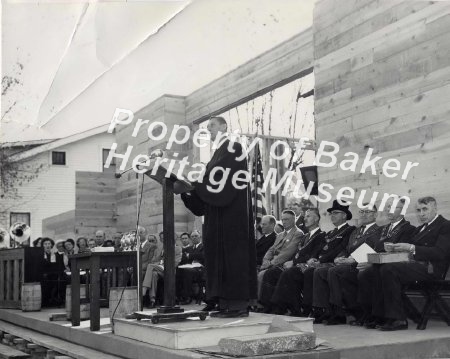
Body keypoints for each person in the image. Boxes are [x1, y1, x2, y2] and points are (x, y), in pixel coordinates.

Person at [180, 116, 256, 318]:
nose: (209, 130)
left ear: (224, 126)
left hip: (232, 215)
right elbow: (210, 185)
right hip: (217, 215)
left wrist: (197, 185)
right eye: (206, 128)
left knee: (232, 258)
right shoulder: (215, 155)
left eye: (212, 126)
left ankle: (237, 305)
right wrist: (189, 191)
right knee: (217, 258)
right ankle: (222, 302)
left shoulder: (234, 148)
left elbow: (223, 180)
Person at [370, 197, 450, 331]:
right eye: (418, 210)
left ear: (435, 208)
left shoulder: (445, 225)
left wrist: (411, 248)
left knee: (389, 269)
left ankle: (398, 319)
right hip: (415, 266)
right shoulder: (420, 229)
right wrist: (397, 248)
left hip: (432, 269)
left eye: (425, 209)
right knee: (376, 268)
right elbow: (410, 250)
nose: (421, 214)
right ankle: (382, 315)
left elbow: (440, 253)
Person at [312, 204, 383, 325]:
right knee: (320, 271)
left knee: (334, 271)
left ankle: (341, 313)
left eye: (368, 212)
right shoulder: (356, 230)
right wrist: (340, 257)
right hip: (348, 263)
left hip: (363, 265)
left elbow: (373, 248)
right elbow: (347, 248)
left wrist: (353, 259)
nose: (364, 214)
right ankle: (327, 310)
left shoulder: (379, 230)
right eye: (362, 212)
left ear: (375, 215)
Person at [357, 198, 416, 328]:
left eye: (393, 207)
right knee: (365, 274)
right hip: (380, 263)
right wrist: (362, 260)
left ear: (402, 211)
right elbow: (372, 247)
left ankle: (394, 317)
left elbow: (402, 254)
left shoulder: (409, 229)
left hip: (395, 266)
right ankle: (375, 314)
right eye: (388, 207)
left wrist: (374, 262)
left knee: (380, 271)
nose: (389, 210)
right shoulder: (382, 229)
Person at [261, 208, 325, 314]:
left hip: (307, 266)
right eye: (305, 216)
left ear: (316, 219)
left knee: (286, 273)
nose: (305, 219)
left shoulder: (321, 235)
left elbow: (312, 254)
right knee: (274, 273)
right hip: (296, 264)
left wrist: (294, 262)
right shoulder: (306, 236)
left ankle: (283, 307)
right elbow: (297, 252)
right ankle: (273, 305)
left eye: (308, 216)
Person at [257, 210, 303, 311]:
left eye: (286, 219)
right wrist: (266, 260)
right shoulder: (280, 235)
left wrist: (270, 263)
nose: (284, 222)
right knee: (263, 273)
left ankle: (267, 305)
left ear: (294, 220)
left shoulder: (298, 234)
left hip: (284, 264)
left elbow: (287, 253)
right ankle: (264, 305)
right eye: (282, 219)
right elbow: (271, 249)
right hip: (274, 264)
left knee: (264, 274)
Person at [177, 230, 205, 304]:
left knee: (187, 271)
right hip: (191, 267)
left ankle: (188, 297)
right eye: (192, 236)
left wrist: (190, 255)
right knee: (178, 270)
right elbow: (183, 257)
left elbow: (203, 256)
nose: (194, 238)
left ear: (200, 237)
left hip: (201, 269)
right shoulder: (189, 248)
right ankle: (178, 296)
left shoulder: (204, 246)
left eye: (196, 236)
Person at [41, 238, 67, 307]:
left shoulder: (55, 255)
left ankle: (56, 300)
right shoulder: (40, 255)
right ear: (42, 245)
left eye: (49, 244)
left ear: (52, 245)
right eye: (45, 244)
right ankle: (46, 301)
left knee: (61, 279)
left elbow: (59, 266)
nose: (47, 245)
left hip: (54, 275)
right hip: (44, 275)